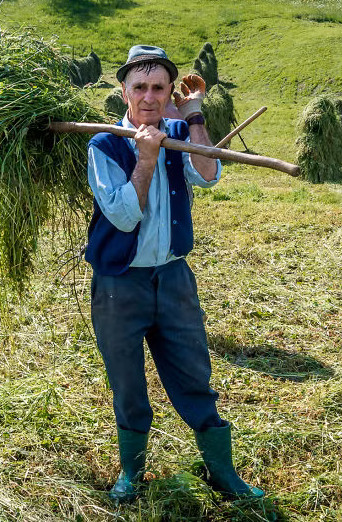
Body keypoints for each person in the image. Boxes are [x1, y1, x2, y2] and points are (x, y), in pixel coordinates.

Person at [85, 45, 264, 503]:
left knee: (193, 374)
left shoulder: (183, 132)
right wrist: (145, 159)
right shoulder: (103, 145)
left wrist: (196, 116)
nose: (149, 97)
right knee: (126, 380)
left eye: (158, 88)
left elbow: (208, 176)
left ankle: (223, 474)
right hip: (118, 284)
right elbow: (124, 218)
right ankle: (131, 474)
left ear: (168, 92)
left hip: (173, 278)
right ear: (123, 92)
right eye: (139, 87)